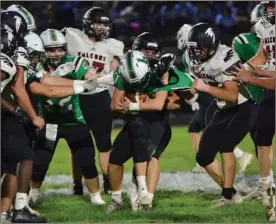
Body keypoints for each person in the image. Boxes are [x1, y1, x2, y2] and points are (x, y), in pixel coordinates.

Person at [28, 29, 105, 207]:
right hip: (49, 123)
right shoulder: (37, 65)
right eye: (51, 50)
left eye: (60, 49)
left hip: (74, 121)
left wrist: (97, 78)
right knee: (40, 163)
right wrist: (58, 75)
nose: (57, 54)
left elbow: (91, 78)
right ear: (42, 50)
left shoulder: (74, 63)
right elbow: (45, 83)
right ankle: (33, 194)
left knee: (87, 161)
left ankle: (95, 197)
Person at [186, 23, 254, 207]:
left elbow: (232, 95)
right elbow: (195, 82)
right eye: (194, 49)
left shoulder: (225, 57)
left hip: (244, 106)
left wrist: (206, 87)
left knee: (226, 144)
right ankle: (232, 194)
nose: (197, 53)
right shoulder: (191, 56)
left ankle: (228, 195)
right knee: (203, 158)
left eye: (201, 49)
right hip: (222, 108)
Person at [63, 6, 124, 195]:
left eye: (105, 24)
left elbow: (117, 74)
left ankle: (107, 181)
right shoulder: (72, 36)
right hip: (76, 95)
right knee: (77, 144)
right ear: (88, 23)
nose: (102, 28)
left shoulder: (113, 45)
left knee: (104, 143)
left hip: (99, 96)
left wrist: (117, 96)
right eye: (98, 23)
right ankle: (77, 184)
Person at [1, 11, 47, 223]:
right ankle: (19, 208)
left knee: (9, 163)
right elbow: (19, 89)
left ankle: (6, 211)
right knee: (24, 156)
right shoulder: (13, 52)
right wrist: (32, 116)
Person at [232, 1, 275, 221]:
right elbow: (262, 55)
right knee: (262, 136)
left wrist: (252, 78)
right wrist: (245, 68)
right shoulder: (267, 30)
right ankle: (266, 187)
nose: (271, 10)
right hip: (271, 92)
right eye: (269, 6)